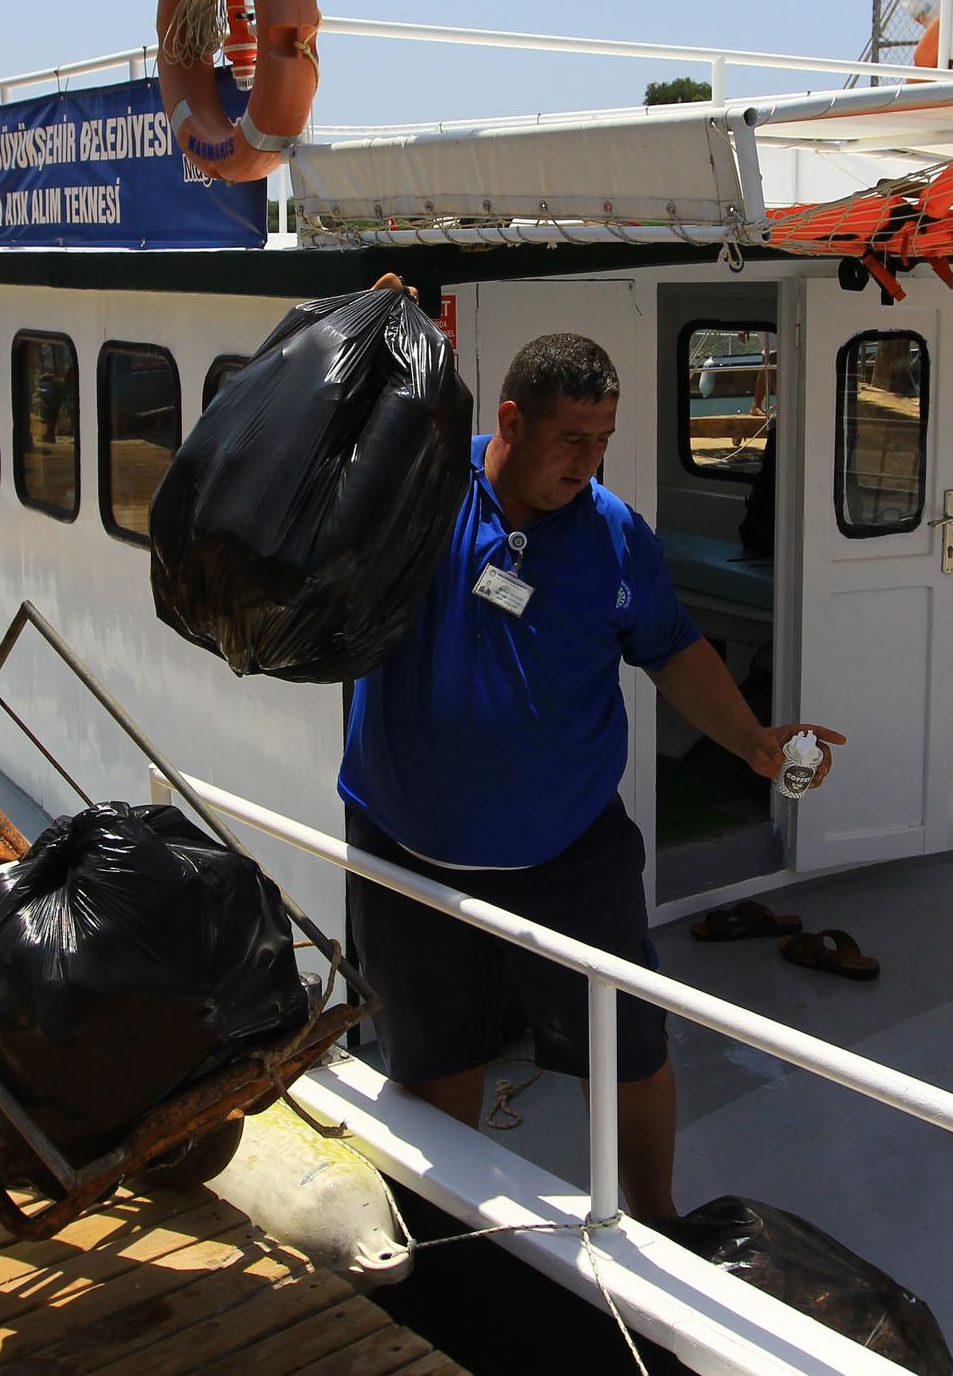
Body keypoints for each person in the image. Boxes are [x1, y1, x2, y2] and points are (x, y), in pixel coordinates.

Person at [340, 301, 844, 1226]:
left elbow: (674, 649)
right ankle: (440, 1231)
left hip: (568, 848)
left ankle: (656, 1220)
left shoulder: (617, 535)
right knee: (434, 1055)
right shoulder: (423, 495)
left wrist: (754, 741)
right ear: (511, 421)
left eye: (602, 438)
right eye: (570, 437)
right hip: (409, 843)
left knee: (628, 1045)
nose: (587, 459)